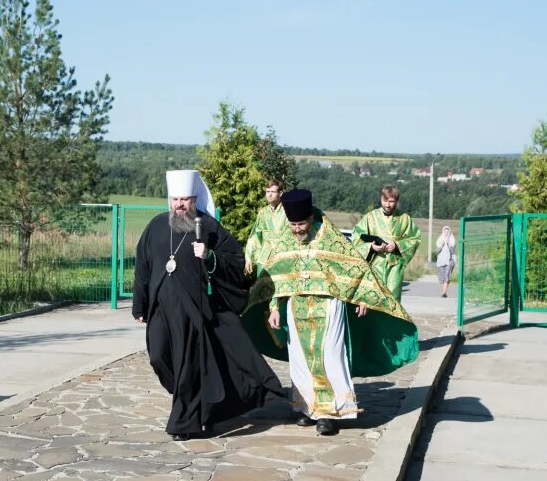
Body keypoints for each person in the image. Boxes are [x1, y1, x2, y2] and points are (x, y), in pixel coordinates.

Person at [248, 189, 418, 436]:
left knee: (330, 355)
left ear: (310, 218)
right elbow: (276, 274)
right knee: (300, 358)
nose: (297, 229)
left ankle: (329, 413)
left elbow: (354, 266)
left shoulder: (329, 236)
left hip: (329, 305)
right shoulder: (285, 238)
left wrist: (362, 297)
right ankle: (307, 408)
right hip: (297, 307)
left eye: (301, 223)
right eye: (293, 224)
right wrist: (274, 306)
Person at [132, 170, 285, 441]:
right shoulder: (156, 226)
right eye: (175, 199)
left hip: (194, 311)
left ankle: (184, 422)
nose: (180, 205)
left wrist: (210, 256)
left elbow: (236, 265)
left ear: (195, 199)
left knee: (188, 365)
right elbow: (143, 266)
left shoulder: (210, 228)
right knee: (159, 356)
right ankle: (199, 401)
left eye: (186, 200)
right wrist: (139, 303)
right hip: (160, 308)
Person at [352, 186, 420, 300]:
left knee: (392, 300)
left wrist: (397, 245)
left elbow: (415, 238)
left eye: (391, 202)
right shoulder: (371, 217)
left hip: (395, 267)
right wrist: (371, 247)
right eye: (385, 201)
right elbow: (356, 236)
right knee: (373, 298)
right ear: (381, 199)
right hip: (375, 265)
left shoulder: (404, 219)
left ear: (396, 201)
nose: (388, 205)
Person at [244, 179, 291, 275]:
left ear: (280, 193)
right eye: (267, 192)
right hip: (264, 260)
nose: (269, 195)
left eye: (273, 192)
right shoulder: (262, 213)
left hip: (283, 259)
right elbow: (255, 236)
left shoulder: (288, 211)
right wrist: (248, 258)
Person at [435, 226, 456, 297]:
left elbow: (453, 252)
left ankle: (444, 293)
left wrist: (449, 245)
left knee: (447, 276)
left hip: (449, 260)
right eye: (445, 231)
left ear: (449, 232)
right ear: (443, 232)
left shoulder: (452, 240)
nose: (446, 233)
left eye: (447, 232)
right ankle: (444, 292)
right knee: (441, 277)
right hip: (440, 261)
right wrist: (442, 245)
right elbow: (437, 251)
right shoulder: (440, 240)